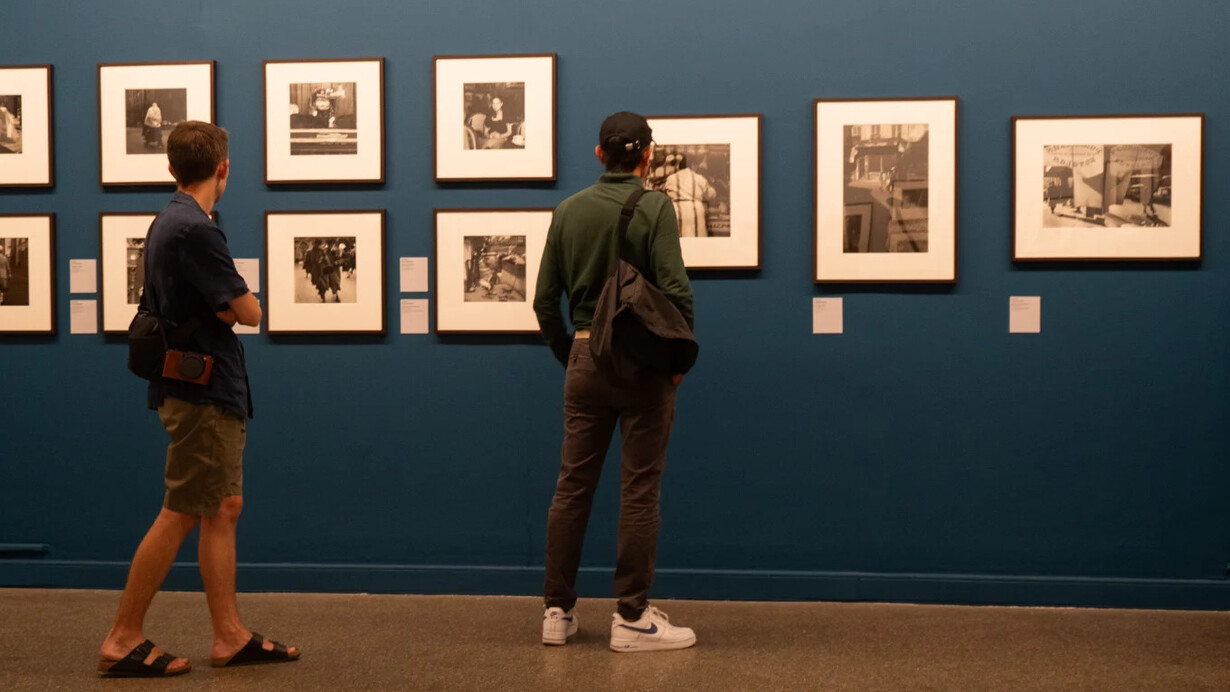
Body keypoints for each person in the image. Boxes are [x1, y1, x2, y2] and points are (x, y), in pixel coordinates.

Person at [97, 121, 298, 678]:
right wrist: (236, 304)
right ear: (224, 168)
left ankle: (228, 635)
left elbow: (221, 306)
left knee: (220, 506)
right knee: (183, 509)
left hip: (195, 384)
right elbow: (251, 312)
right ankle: (122, 637)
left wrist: (226, 306)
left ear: (170, 167)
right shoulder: (196, 229)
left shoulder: (172, 219)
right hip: (202, 390)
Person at [534, 111, 697, 653]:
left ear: (600, 154)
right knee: (639, 491)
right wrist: (679, 360)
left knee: (572, 487)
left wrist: (572, 353)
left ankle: (557, 612)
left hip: (585, 358)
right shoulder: (654, 206)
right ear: (646, 156)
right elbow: (676, 292)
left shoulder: (567, 211)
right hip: (644, 365)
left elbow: (543, 302)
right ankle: (631, 617)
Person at [660, 152, 716, 238]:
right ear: (693, 164)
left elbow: (664, 193)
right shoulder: (699, 178)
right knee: (697, 240)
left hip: (676, 209)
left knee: (677, 241)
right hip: (695, 210)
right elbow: (710, 195)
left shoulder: (671, 178)